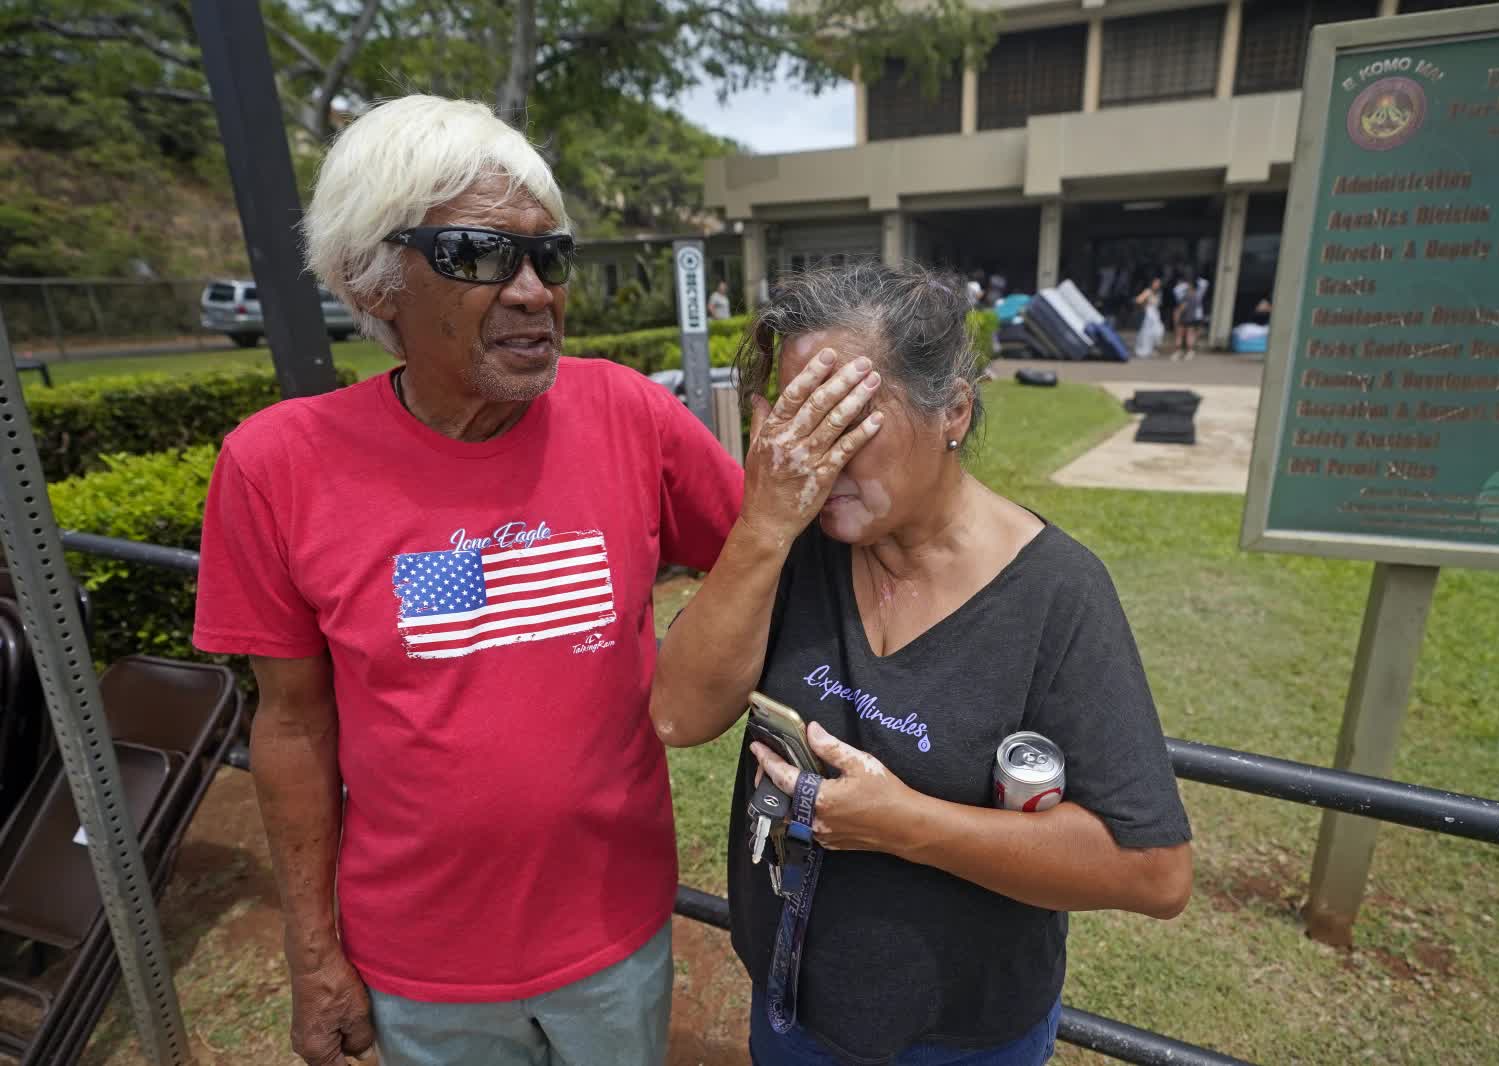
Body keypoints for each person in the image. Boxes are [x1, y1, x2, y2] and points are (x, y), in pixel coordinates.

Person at [192, 95, 744, 1066]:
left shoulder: (627, 413)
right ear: (374, 276)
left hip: (613, 935)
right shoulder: (275, 464)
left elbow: (764, 555)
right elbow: (290, 723)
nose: (533, 289)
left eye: (549, 255)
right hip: (416, 960)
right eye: (481, 256)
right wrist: (313, 949)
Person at [650, 263, 1193, 1066]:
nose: (819, 458)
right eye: (801, 420)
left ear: (954, 411)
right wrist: (762, 526)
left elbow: (1152, 870)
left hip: (962, 1036)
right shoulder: (794, 545)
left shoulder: (1055, 591)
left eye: (848, 420)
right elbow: (679, 715)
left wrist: (905, 826)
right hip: (791, 1003)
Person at [1172, 272, 1206, 361]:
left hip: (1184, 318)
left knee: (1180, 335)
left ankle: (1178, 352)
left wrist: (1176, 316)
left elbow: (1181, 307)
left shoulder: (1185, 296)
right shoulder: (1198, 295)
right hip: (1193, 318)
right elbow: (1204, 283)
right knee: (1190, 335)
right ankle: (1190, 352)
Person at [1134, 277, 1165, 358]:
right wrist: (1144, 305)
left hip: (1156, 314)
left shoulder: (1159, 292)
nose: (1157, 285)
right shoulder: (1148, 291)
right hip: (1149, 314)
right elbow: (1138, 300)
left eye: (1158, 283)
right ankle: (1146, 350)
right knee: (1148, 332)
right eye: (1156, 283)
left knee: (1158, 331)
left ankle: (1152, 349)